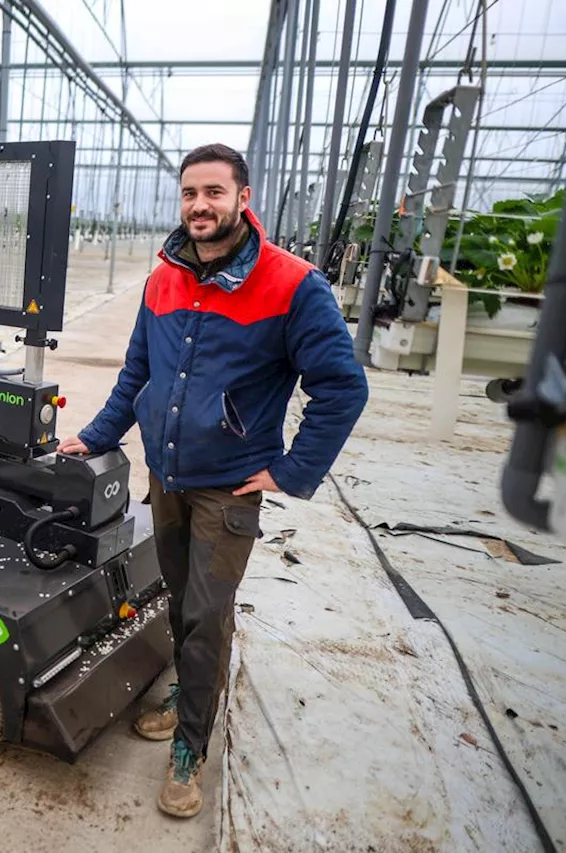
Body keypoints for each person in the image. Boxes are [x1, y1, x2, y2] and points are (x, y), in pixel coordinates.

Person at [58, 143, 368, 818]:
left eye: (214, 192)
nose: (200, 205)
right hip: (167, 476)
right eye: (189, 193)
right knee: (177, 596)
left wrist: (290, 470)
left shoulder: (293, 285)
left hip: (228, 487)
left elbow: (342, 387)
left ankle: (191, 744)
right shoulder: (163, 278)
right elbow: (136, 372)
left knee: (205, 614)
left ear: (243, 199)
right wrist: (100, 433)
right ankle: (187, 692)